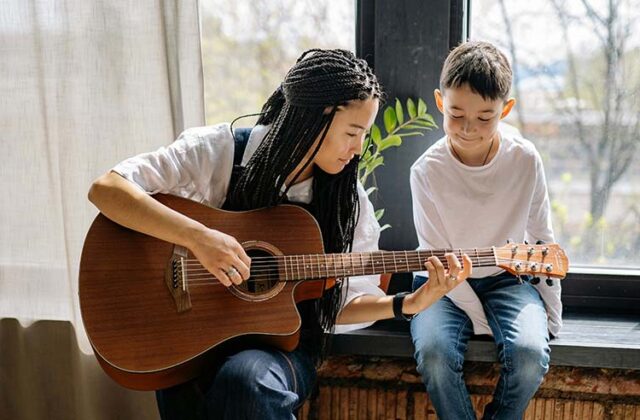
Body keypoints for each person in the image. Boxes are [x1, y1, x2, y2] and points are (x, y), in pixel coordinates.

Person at [88, 48, 472, 420]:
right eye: (352, 133)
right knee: (189, 387)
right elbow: (107, 189)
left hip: (281, 353)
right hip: (190, 335)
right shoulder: (221, 152)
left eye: (364, 136)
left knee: (248, 380)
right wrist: (199, 238)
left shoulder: (347, 204)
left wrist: (409, 303)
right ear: (316, 118)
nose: (358, 150)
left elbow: (340, 306)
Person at [409, 41, 563, 420]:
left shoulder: (524, 159)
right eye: (456, 112)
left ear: (505, 110)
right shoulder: (425, 171)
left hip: (506, 278)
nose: (467, 128)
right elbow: (438, 258)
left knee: (530, 356)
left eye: (484, 117)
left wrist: (551, 315)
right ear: (440, 102)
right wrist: (481, 320)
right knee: (434, 355)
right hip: (440, 284)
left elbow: (542, 238)